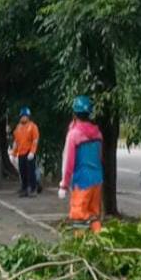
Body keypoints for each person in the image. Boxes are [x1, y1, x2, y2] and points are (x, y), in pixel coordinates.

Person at [58, 95, 104, 234]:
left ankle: (80, 244)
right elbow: (99, 157)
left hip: (82, 181)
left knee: (79, 216)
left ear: (74, 113)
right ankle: (98, 240)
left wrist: (64, 185)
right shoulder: (98, 134)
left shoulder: (74, 135)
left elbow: (68, 162)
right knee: (94, 214)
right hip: (97, 180)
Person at [12, 107, 40, 197]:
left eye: (25, 116)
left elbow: (35, 140)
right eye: (22, 116)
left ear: (28, 117)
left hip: (29, 153)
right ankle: (24, 188)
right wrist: (13, 154)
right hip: (21, 153)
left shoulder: (33, 126)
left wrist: (32, 152)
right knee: (22, 172)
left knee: (31, 172)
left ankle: (33, 189)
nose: (23, 118)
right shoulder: (18, 127)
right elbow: (16, 141)